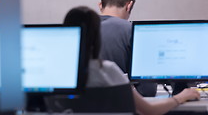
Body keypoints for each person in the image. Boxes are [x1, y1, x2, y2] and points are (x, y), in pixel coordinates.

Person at [63, 6, 200, 115]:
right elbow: (149, 110)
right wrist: (180, 97)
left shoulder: (58, 76)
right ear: (96, 36)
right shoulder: (107, 71)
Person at [99, 0, 156, 96]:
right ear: (128, 6)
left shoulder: (80, 30)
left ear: (100, 5)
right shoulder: (133, 32)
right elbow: (148, 91)